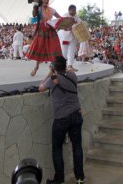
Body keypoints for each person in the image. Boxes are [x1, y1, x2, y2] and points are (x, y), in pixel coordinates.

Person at [38, 56, 84, 184]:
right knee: (77, 147)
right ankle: (80, 178)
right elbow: (68, 72)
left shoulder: (53, 79)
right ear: (65, 65)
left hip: (61, 119)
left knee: (57, 149)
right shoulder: (73, 76)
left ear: (53, 67)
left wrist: (49, 73)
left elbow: (40, 88)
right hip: (76, 114)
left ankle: (59, 179)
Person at [26, 0, 62, 76]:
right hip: (41, 32)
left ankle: (52, 69)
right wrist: (35, 5)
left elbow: (60, 18)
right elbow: (34, 15)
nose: (46, 0)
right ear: (42, 0)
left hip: (51, 31)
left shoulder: (52, 10)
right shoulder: (38, 8)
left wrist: (67, 21)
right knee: (40, 49)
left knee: (53, 49)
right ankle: (36, 67)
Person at [58, 5, 80, 69]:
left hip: (73, 36)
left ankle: (70, 65)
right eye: (73, 10)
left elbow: (80, 23)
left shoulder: (76, 17)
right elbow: (61, 25)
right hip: (65, 37)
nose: (74, 12)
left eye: (75, 10)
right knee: (64, 51)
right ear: (69, 10)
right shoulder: (65, 15)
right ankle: (63, 66)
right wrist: (68, 27)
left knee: (72, 51)